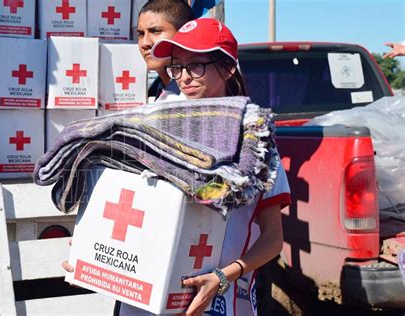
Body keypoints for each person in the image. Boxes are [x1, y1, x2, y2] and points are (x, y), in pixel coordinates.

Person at [118, 18, 291, 316]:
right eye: (177, 66)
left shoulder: (254, 140)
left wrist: (225, 276)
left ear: (227, 68)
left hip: (216, 302)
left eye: (196, 65)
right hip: (142, 298)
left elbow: (273, 238)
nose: (184, 77)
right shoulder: (152, 125)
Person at [136, 0, 194, 101]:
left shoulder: (197, 93)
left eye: (155, 31)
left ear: (183, 33)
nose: (145, 43)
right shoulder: (155, 91)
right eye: (141, 34)